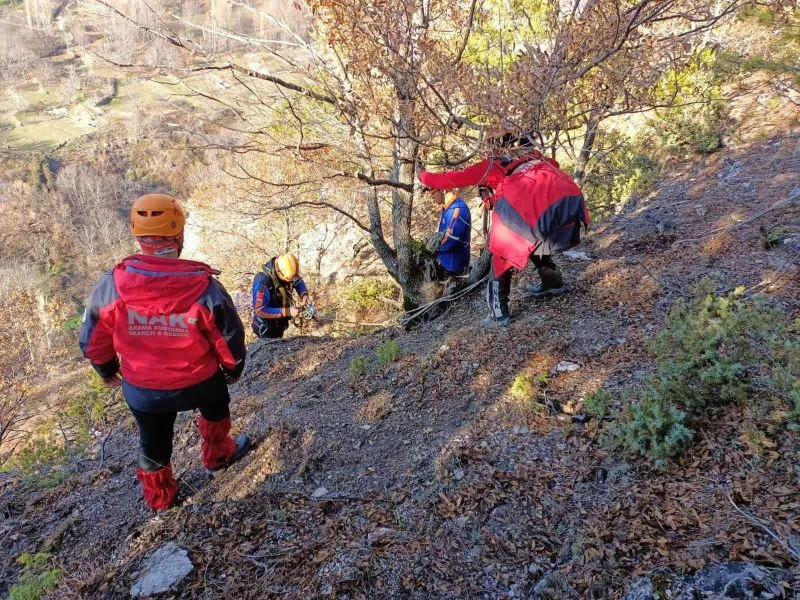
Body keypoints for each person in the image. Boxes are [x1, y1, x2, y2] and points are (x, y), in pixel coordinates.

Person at [79, 193, 249, 512]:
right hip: (201, 383)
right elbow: (228, 337)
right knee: (216, 410)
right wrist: (233, 369)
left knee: (153, 442)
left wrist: (105, 368)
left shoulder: (112, 285)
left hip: (144, 390)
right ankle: (218, 458)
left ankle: (161, 502)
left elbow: (93, 339)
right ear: (179, 235)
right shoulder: (204, 287)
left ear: (138, 236)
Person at [419, 139, 590, 327]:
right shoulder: (532, 154)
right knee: (530, 238)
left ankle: (498, 313)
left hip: (539, 211)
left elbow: (449, 179)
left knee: (501, 252)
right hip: (571, 204)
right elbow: (554, 165)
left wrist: (423, 176)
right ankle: (553, 282)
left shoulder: (492, 165)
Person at [251, 254, 312, 339]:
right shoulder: (262, 283)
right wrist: (287, 311)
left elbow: (297, 280)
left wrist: (304, 295)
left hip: (279, 324)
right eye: (289, 279)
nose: (291, 281)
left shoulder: (287, 270)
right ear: (279, 272)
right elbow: (260, 310)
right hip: (266, 328)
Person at [426, 189, 472, 279]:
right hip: (445, 262)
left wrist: (431, 250)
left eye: (433, 193)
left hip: (453, 266)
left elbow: (450, 241)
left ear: (442, 190)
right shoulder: (447, 207)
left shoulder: (457, 209)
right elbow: (441, 234)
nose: (432, 197)